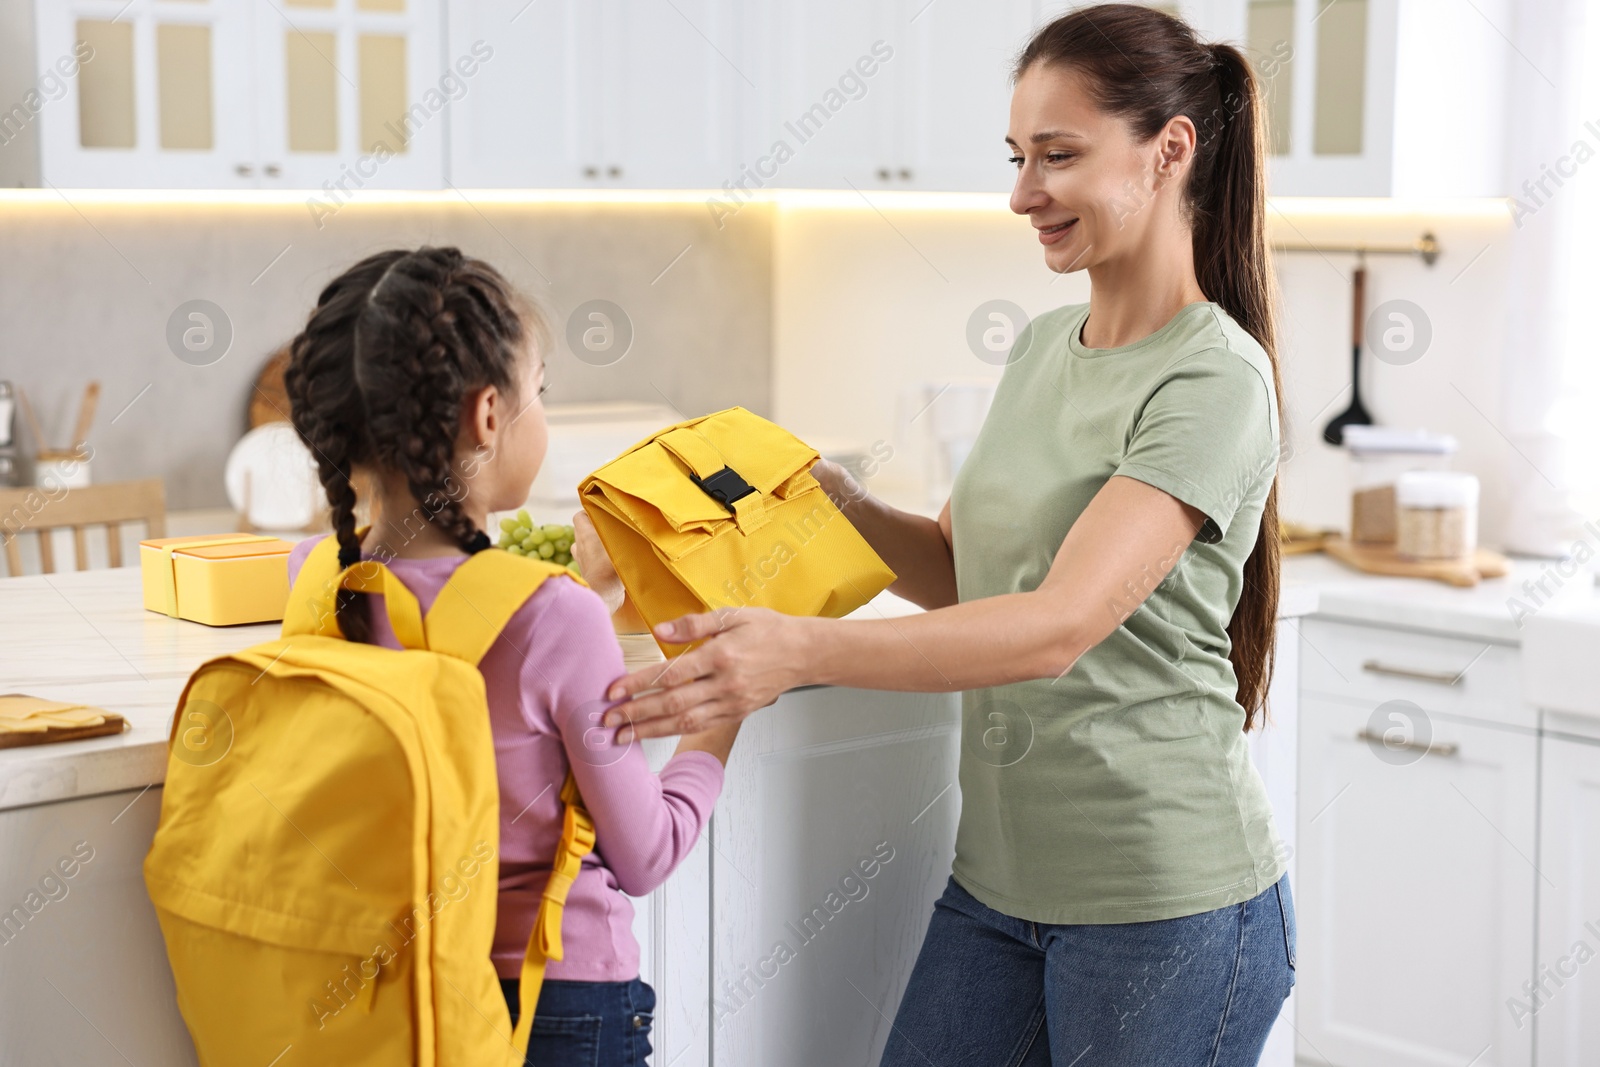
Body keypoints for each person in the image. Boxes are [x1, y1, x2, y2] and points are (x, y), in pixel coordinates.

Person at [572, 5, 1295, 1063]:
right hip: (998, 886)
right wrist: (818, 490)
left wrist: (797, 648)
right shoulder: (1047, 344)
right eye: (1016, 158)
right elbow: (963, 576)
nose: (1021, 194)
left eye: (1057, 157)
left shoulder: (1212, 376)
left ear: (1168, 150)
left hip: (1164, 907)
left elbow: (1054, 625)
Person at [284, 246, 740, 1067]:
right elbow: (646, 853)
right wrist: (721, 717)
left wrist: (585, 604)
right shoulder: (552, 618)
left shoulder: (318, 581)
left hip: (392, 999)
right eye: (542, 393)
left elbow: (466, 661)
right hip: (553, 1005)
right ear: (490, 416)